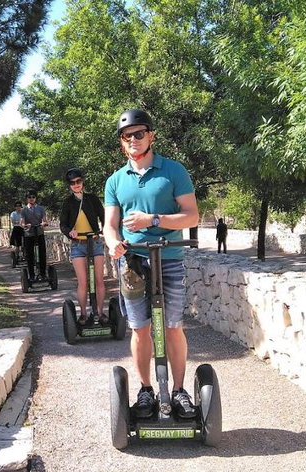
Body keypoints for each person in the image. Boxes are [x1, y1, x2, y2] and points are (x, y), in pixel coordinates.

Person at [103, 108, 200, 420]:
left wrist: (153, 220)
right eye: (127, 136)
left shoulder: (173, 171)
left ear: (151, 136)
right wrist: (112, 241)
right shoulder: (115, 181)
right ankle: (146, 389)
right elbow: (110, 224)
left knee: (173, 326)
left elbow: (192, 215)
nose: (134, 139)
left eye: (139, 133)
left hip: (169, 257)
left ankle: (179, 390)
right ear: (122, 142)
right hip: (133, 261)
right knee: (140, 328)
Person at [59, 167, 107, 325]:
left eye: (78, 181)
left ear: (83, 181)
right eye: (72, 183)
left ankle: (100, 313)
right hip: (78, 245)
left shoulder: (92, 199)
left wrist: (105, 229)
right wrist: (69, 232)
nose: (76, 185)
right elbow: (63, 225)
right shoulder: (68, 202)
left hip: (95, 243)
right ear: (69, 185)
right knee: (83, 282)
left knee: (99, 280)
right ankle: (84, 315)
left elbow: (103, 216)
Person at [21, 189, 48, 282]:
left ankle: (43, 274)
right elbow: (22, 221)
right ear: (26, 199)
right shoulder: (24, 210)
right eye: (29, 197)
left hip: (39, 233)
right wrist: (25, 225)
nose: (31, 199)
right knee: (29, 255)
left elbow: (44, 219)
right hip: (29, 234)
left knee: (42, 254)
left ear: (36, 198)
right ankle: (31, 275)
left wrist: (44, 223)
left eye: (33, 197)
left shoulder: (41, 208)